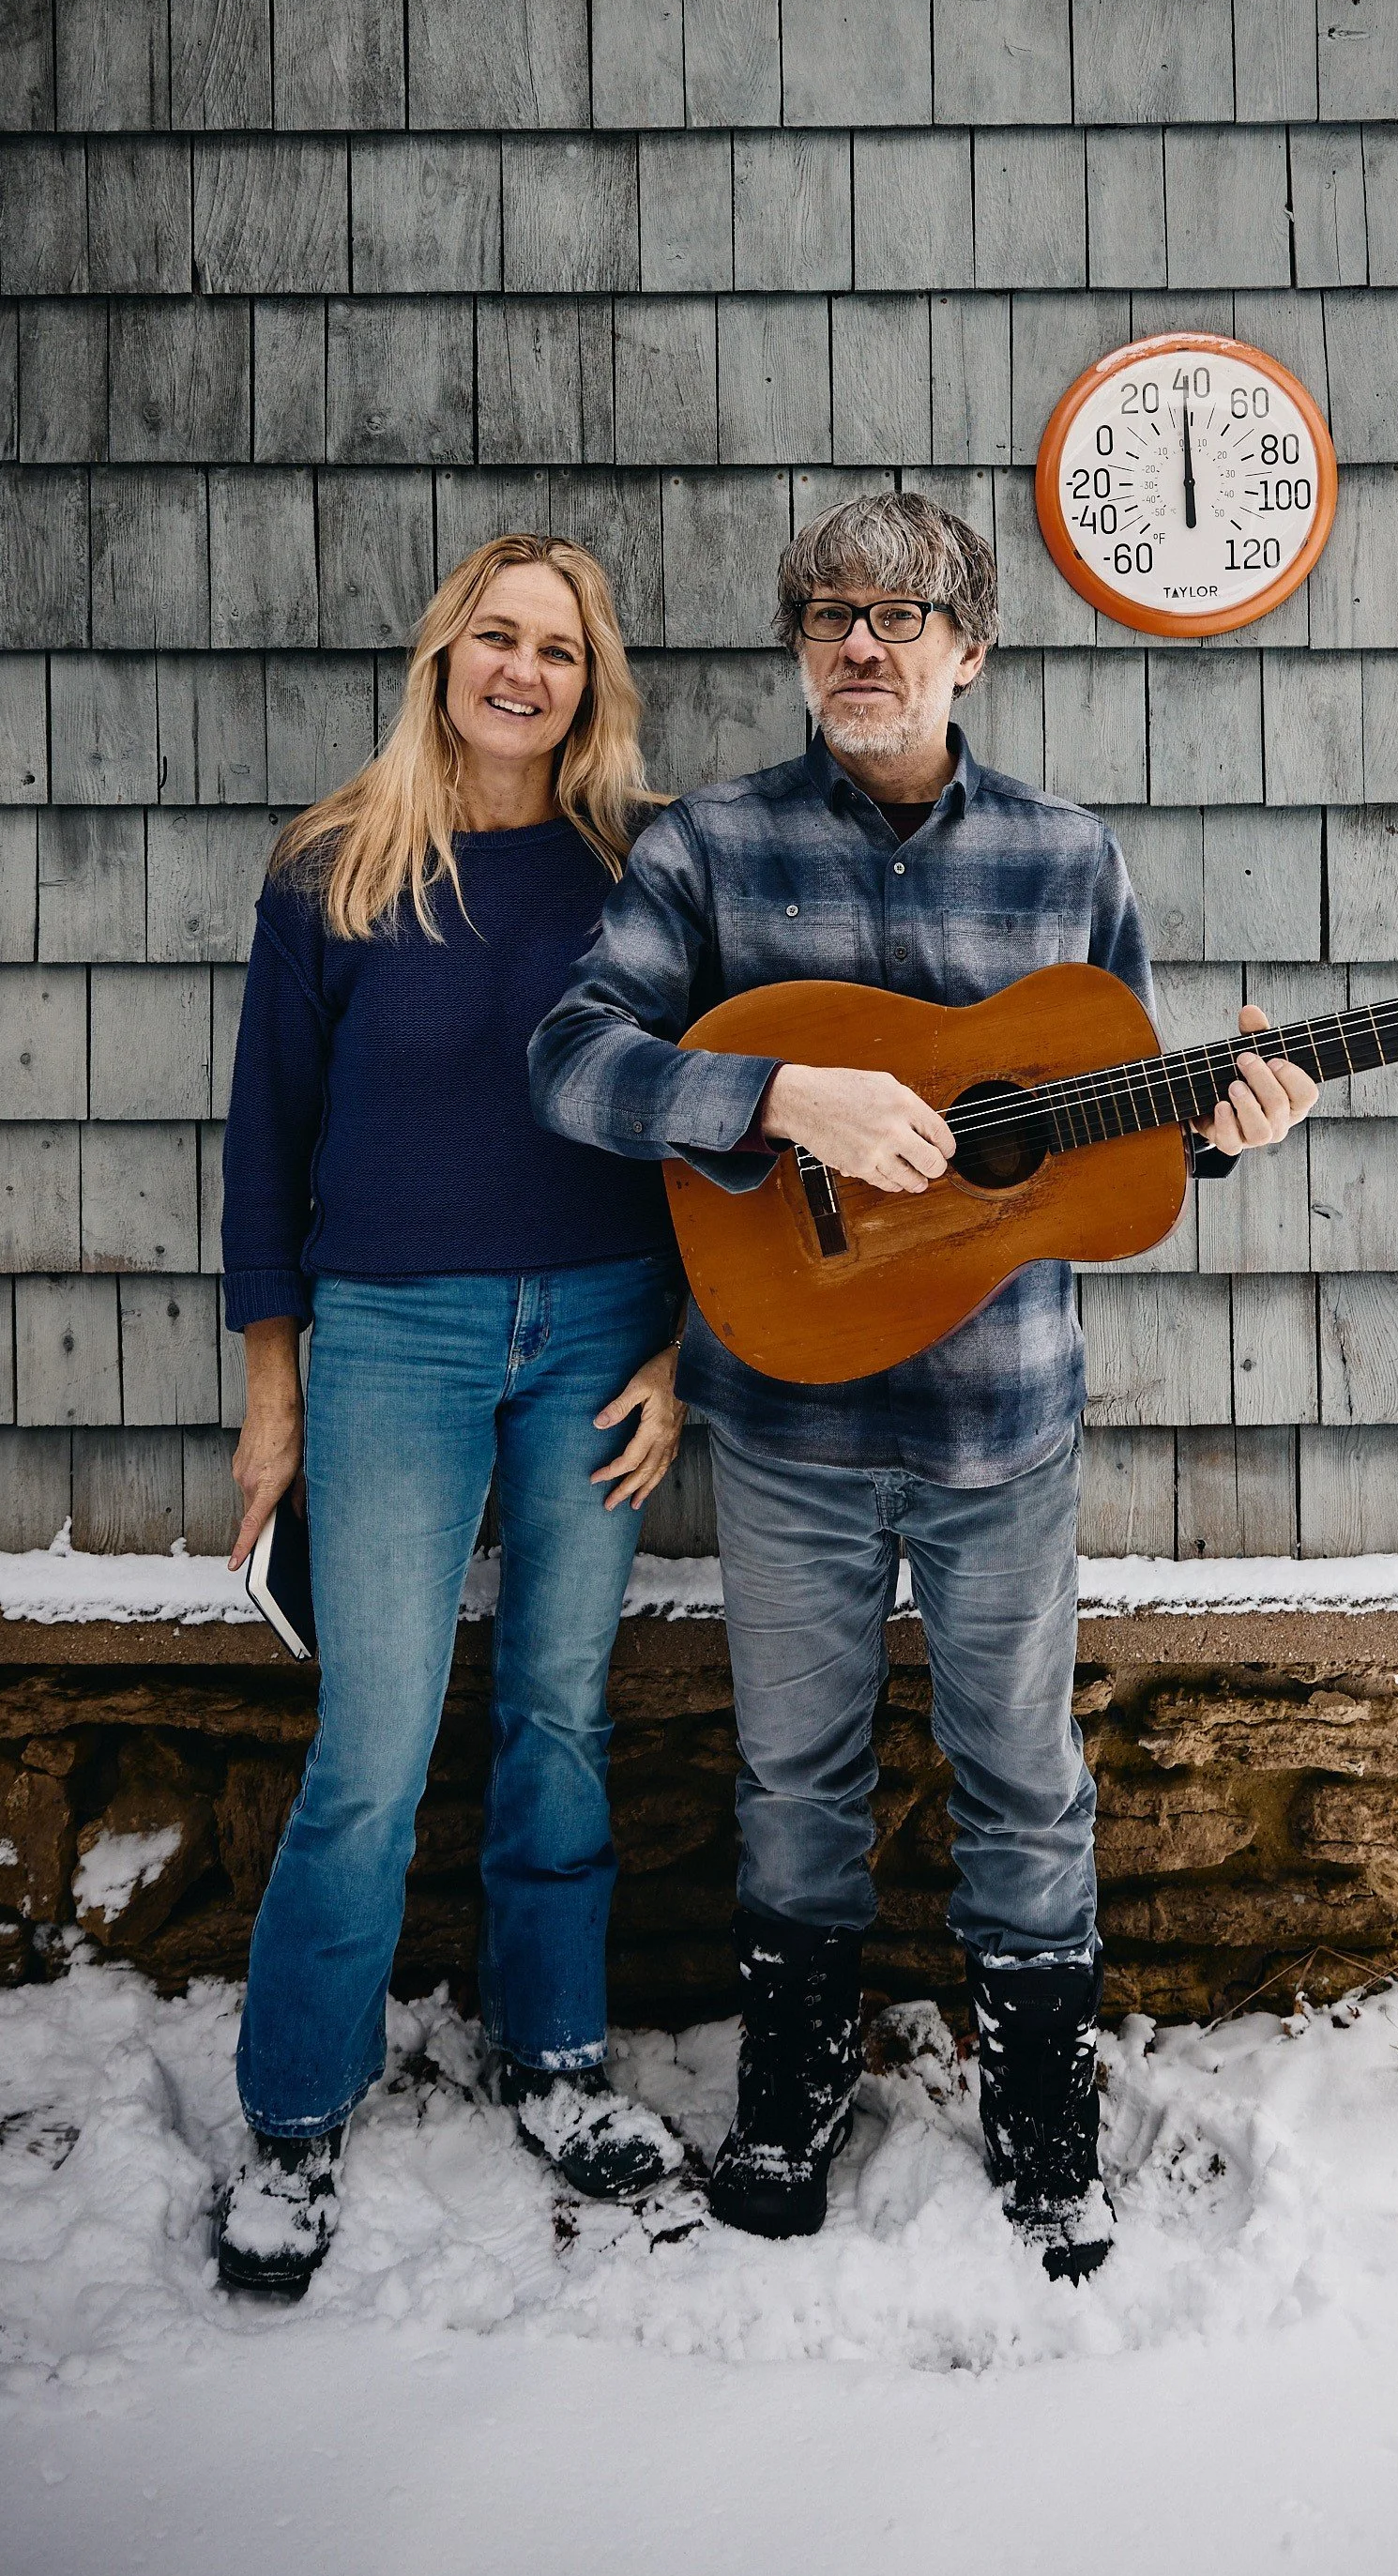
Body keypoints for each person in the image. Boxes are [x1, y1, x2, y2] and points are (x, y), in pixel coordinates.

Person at [529, 492, 1316, 2280]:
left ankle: (1046, 2114)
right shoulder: (711, 850)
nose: (859, 646)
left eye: (899, 615)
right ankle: (792, 2088)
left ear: (972, 648)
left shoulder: (1065, 855)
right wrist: (772, 1098)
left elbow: (1110, 1147)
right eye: (827, 614)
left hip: (1000, 1424)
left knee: (1022, 1774)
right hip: (792, 1414)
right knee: (791, 1775)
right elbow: (571, 1060)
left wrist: (1222, 1127)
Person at [213, 533, 690, 2301]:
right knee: (377, 1739)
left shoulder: (644, 868)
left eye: (559, 648)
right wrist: (276, 1395)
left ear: (593, 681)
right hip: (393, 1339)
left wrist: (687, 1347)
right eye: (497, 636)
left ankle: (556, 2055)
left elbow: (722, 1116)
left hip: (602, 1333)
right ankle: (293, 2108)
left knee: (560, 1713)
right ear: (443, 657)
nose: (524, 671)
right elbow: (267, 1150)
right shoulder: (335, 868)